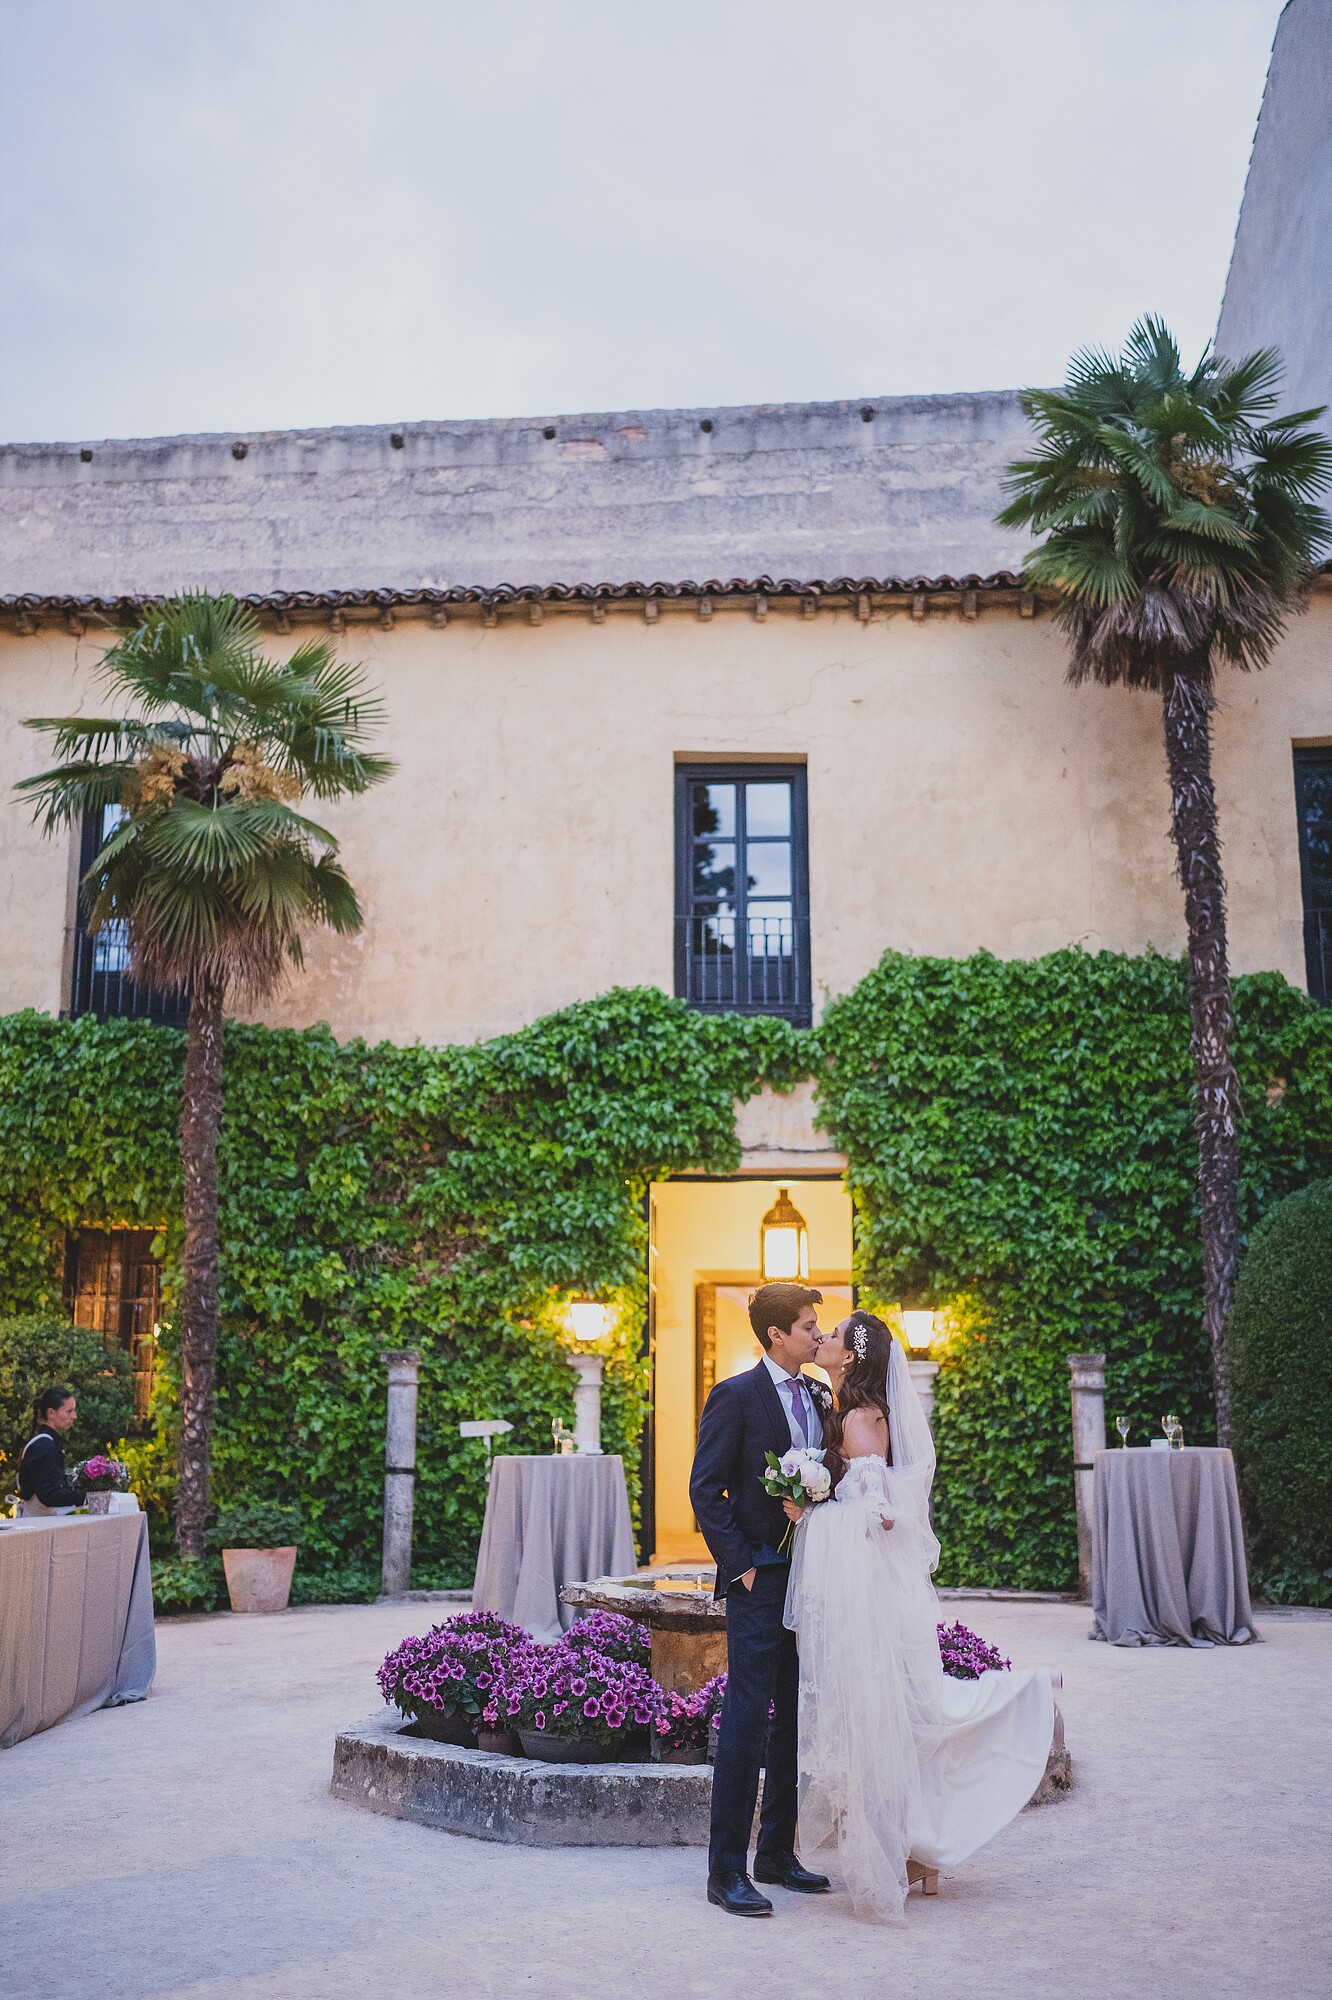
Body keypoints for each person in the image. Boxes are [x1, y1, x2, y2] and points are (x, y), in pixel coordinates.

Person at [785, 1310, 1057, 1924]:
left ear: (851, 1359)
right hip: (855, 1582)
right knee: (885, 1711)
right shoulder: (844, 1410)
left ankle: (910, 1848)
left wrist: (813, 1507)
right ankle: (917, 1854)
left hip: (865, 1584)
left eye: (830, 1336)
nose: (821, 1339)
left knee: (885, 1709)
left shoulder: (862, 1418)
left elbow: (881, 1514)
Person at [688, 1280, 835, 1917]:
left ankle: (777, 1852)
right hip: (760, 1578)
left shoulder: (820, 1396)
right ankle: (727, 1872)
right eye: (807, 1326)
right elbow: (705, 1489)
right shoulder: (736, 1396)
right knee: (747, 1720)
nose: (814, 1335)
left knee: (795, 1718)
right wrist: (742, 1566)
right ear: (777, 1335)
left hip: (815, 1576)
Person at [18, 1385, 82, 1513]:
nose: (74, 1416)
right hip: (39, 1524)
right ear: (51, 1413)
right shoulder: (44, 1446)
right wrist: (84, 1497)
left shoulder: (49, 1442)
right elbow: (48, 1494)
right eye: (69, 1411)